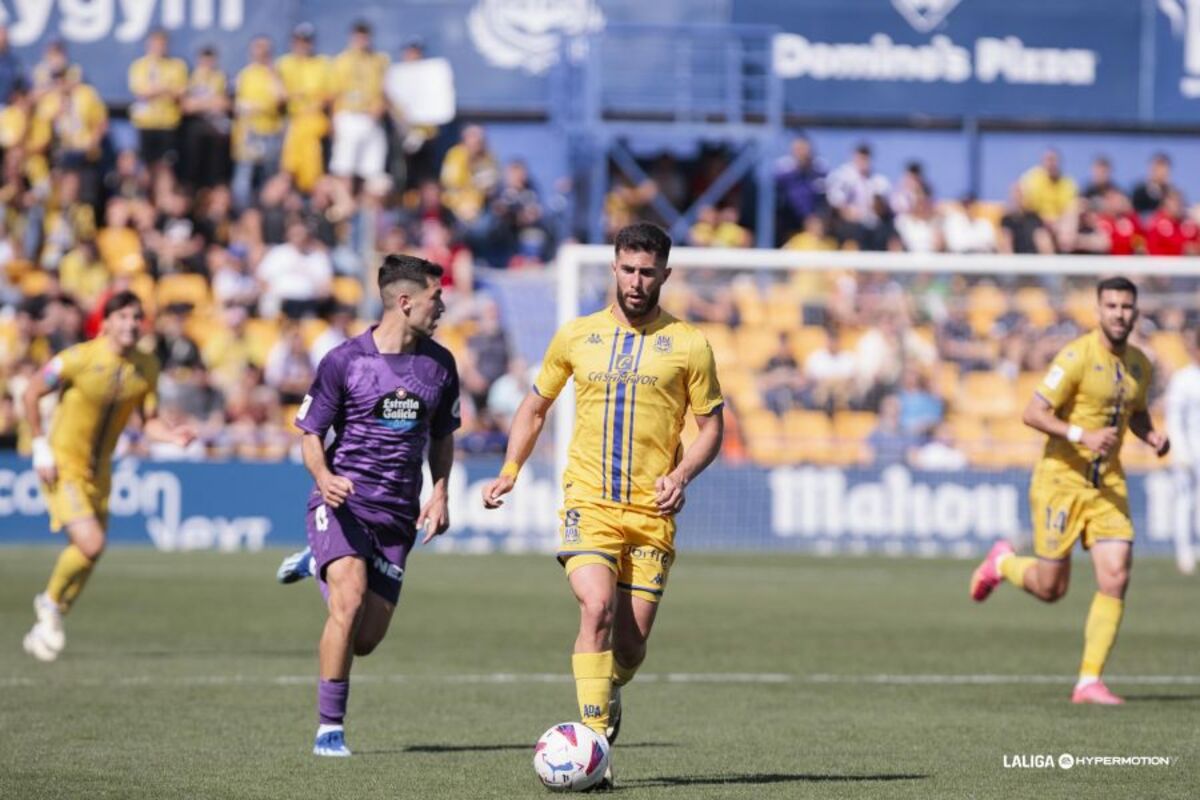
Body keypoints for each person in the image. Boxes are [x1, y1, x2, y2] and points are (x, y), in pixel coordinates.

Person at [481, 222, 724, 790]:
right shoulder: (576, 336)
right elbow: (535, 407)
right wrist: (510, 470)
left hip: (651, 512)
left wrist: (683, 473)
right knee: (596, 609)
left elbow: (712, 427)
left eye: (647, 272)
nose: (636, 282)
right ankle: (595, 752)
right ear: (613, 268)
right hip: (587, 502)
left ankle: (609, 688)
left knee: (631, 647)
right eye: (628, 270)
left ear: (664, 273)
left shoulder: (690, 344)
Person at [274, 254, 460, 757]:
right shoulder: (344, 360)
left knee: (365, 639)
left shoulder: (440, 365)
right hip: (343, 505)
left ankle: (317, 561)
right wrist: (324, 476)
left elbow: (442, 435)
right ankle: (328, 729)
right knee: (349, 600)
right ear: (405, 302)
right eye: (435, 297)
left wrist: (440, 490)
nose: (442, 306)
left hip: (397, 515)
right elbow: (311, 433)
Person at [970, 277, 1169, 705]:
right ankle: (1002, 562)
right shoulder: (1076, 356)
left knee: (1116, 574)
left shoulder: (1140, 364)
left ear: (1135, 312)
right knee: (1050, 589)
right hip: (1060, 481)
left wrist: (1151, 436)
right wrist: (1082, 433)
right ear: (1098, 310)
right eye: (1111, 305)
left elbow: (1136, 413)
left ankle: (1088, 682)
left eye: (1126, 306)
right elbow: (1032, 412)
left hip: (1107, 484)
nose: (1119, 313)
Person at [21, 291, 195, 662]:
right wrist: (40, 447)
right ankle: (49, 605)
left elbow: (148, 423)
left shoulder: (146, 366)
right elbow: (33, 392)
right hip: (63, 465)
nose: (131, 324)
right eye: (124, 317)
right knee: (92, 543)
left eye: (137, 318)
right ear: (107, 321)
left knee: (91, 553)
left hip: (100, 472)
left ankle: (49, 615)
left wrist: (173, 435)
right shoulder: (79, 358)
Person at [1165, 328, 1200, 575]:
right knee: (1185, 501)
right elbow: (1174, 418)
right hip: (1189, 450)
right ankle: (1184, 553)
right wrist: (1180, 451)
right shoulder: (1183, 378)